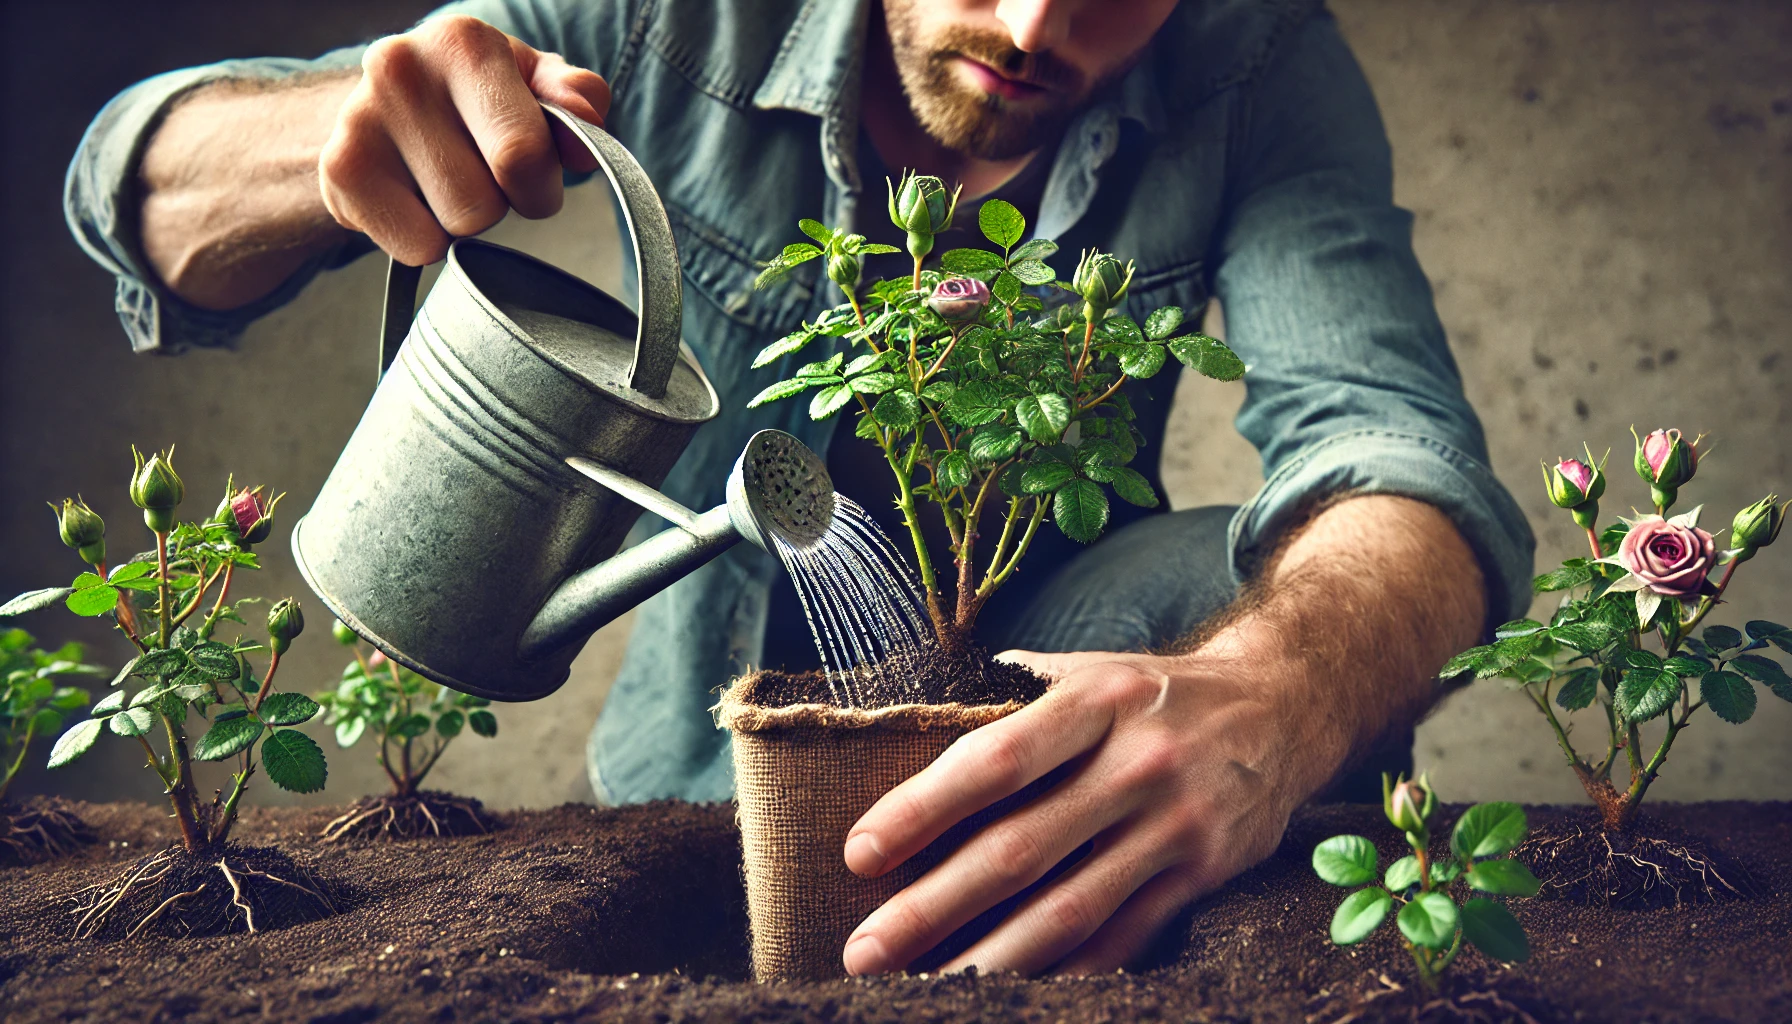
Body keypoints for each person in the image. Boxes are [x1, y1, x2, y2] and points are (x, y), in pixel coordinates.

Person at [67, 0, 1533, 976]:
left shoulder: (1256, 58)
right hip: (707, 776)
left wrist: (1285, 695)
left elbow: (1392, 443)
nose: (1033, 23)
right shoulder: (662, 15)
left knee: (1269, 573)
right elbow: (134, 197)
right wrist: (317, 134)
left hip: (1064, 746)